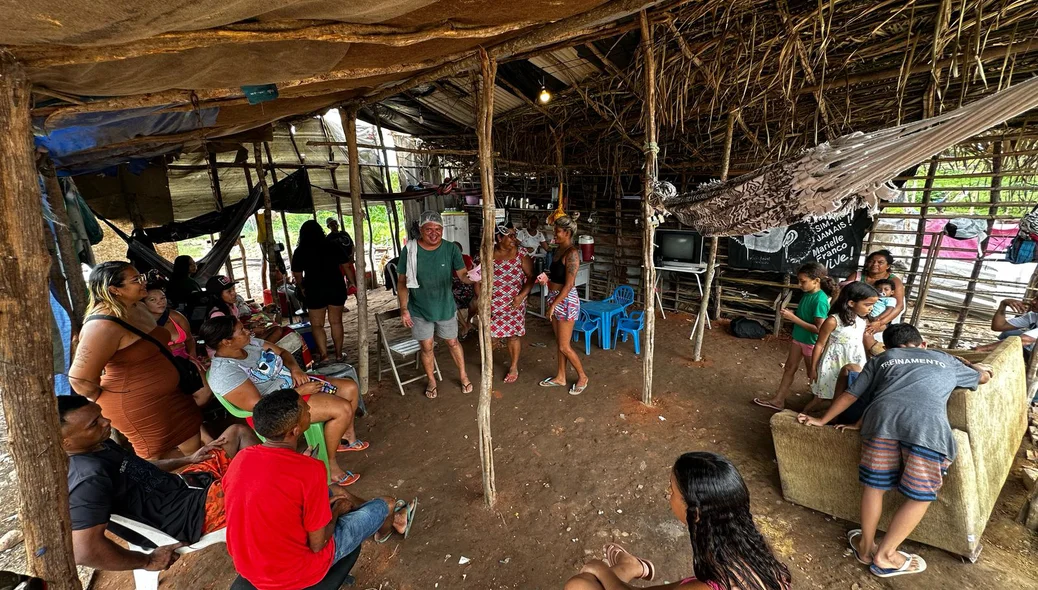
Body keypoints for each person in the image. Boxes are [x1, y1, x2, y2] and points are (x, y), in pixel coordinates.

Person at [798, 324, 992, 579]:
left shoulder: (882, 359)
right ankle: (886, 555)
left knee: (874, 487)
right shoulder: (944, 359)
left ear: (888, 347)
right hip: (927, 430)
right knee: (921, 495)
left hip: (881, 424)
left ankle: (866, 548)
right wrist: (977, 366)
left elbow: (852, 393)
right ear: (923, 344)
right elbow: (984, 377)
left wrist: (822, 420)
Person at [224, 389, 417, 590]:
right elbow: (318, 543)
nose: (309, 410)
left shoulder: (241, 460)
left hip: (252, 568)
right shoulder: (309, 471)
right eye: (306, 410)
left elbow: (273, 488)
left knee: (336, 490)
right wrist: (337, 512)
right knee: (387, 503)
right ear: (295, 431)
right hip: (299, 573)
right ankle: (386, 527)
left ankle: (382, 520)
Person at [59, 395, 259, 572]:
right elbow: (84, 551)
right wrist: (147, 561)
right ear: (65, 442)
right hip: (189, 516)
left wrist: (188, 459)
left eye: (100, 415)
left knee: (237, 433)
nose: (106, 421)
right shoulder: (87, 479)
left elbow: (138, 467)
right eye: (94, 423)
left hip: (187, 487)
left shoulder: (98, 444)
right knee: (258, 482)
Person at [564, 452, 791, 590]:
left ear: (697, 513)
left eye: (672, 492)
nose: (668, 496)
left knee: (579, 585)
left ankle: (629, 566)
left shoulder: (713, 584)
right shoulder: (753, 554)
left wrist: (600, 568)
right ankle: (630, 566)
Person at [200, 316, 367, 486]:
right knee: (342, 409)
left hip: (294, 384)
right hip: (279, 408)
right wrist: (299, 392)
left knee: (350, 388)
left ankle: (343, 437)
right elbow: (260, 406)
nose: (247, 331)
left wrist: (295, 369)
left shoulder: (250, 344)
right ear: (226, 342)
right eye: (241, 330)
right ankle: (330, 467)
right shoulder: (225, 373)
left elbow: (283, 352)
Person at [69, 261, 204, 459]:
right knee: (158, 458)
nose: (143, 282)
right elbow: (79, 379)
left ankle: (198, 482)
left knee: (193, 445)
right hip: (138, 406)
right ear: (115, 289)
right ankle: (175, 489)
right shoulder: (101, 326)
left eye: (141, 277)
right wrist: (110, 397)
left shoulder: (137, 307)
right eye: (135, 280)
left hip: (172, 396)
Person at [397, 210, 475, 399]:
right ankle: (431, 380)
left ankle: (463, 375)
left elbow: (463, 275)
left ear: (442, 230)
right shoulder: (410, 250)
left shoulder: (451, 249)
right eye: (428, 229)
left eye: (438, 229)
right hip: (419, 308)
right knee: (427, 347)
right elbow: (401, 282)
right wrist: (404, 309)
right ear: (420, 230)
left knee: (452, 342)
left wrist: (475, 277)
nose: (434, 233)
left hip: (445, 306)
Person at [754, 262, 836, 411]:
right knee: (790, 368)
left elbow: (820, 330)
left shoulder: (820, 300)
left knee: (814, 375)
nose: (799, 284)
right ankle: (778, 400)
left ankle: (820, 404)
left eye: (803, 281)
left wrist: (793, 318)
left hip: (811, 343)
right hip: (799, 339)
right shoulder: (809, 294)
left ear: (816, 281)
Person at [805, 282, 879, 414]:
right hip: (833, 364)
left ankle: (832, 419)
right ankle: (801, 415)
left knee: (845, 396)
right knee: (822, 397)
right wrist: (813, 368)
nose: (871, 308)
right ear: (851, 303)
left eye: (872, 305)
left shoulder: (862, 321)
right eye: (867, 304)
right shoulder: (833, 321)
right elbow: (820, 344)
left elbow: (861, 343)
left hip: (855, 361)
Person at [539, 216, 589, 395]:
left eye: (557, 232)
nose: (555, 235)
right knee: (560, 342)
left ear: (567, 233)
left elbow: (568, 285)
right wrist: (546, 279)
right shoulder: (558, 250)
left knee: (564, 346)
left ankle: (583, 376)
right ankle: (561, 377)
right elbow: (556, 277)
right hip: (554, 297)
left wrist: (553, 306)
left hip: (566, 301)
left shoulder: (572, 253)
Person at [293, 220, 350, 364]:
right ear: (321, 231)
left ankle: (324, 356)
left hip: (314, 289)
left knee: (317, 325)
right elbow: (347, 265)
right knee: (336, 322)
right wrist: (353, 282)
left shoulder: (300, 251)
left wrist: (301, 287)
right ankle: (338, 354)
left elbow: (297, 275)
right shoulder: (332, 245)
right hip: (335, 286)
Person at [489, 224, 535, 383]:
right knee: (490, 336)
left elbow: (530, 277)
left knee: (513, 336)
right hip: (493, 302)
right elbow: (478, 277)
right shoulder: (488, 254)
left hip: (515, 302)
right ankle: (487, 365)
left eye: (515, 235)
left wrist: (521, 296)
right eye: (511, 236)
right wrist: (482, 300)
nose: (515, 239)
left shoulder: (521, 254)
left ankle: (514, 366)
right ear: (499, 238)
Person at [206, 275, 284, 343]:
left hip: (240, 341)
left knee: (277, 329)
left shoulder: (232, 307)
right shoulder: (218, 315)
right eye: (229, 291)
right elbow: (226, 341)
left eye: (233, 289)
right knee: (276, 332)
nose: (234, 293)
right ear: (217, 296)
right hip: (232, 348)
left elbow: (236, 327)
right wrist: (252, 332)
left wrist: (251, 326)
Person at [846, 250, 905, 335]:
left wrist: (880, 322)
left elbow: (899, 306)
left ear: (888, 266)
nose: (875, 264)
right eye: (871, 261)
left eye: (880, 262)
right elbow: (843, 294)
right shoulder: (856, 276)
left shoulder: (894, 281)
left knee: (866, 331)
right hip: (854, 313)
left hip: (881, 317)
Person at [452, 241, 477, 339]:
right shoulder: (447, 261)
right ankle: (465, 325)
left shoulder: (466, 258)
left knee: (475, 303)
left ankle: (468, 322)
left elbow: (468, 275)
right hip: (453, 288)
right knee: (451, 305)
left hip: (467, 286)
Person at [325, 218, 359, 290]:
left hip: (349, 259)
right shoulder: (329, 238)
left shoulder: (344, 234)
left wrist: (352, 256)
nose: (334, 225)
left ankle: (358, 298)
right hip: (338, 264)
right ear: (328, 227)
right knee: (340, 284)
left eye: (335, 223)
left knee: (353, 280)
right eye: (332, 224)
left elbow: (352, 245)